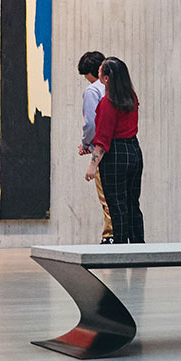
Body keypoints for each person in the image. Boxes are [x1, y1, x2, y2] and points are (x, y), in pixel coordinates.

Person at [85, 57, 143, 244]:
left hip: (116, 154)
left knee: (116, 204)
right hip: (134, 151)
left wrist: (92, 166)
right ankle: (137, 245)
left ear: (107, 78)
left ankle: (119, 246)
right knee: (132, 202)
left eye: (101, 70)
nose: (98, 72)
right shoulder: (131, 97)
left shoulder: (108, 103)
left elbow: (103, 138)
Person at [76, 51, 114, 244]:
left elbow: (91, 124)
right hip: (123, 146)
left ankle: (110, 236)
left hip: (102, 150)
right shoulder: (117, 88)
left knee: (106, 196)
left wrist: (85, 144)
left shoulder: (93, 91)